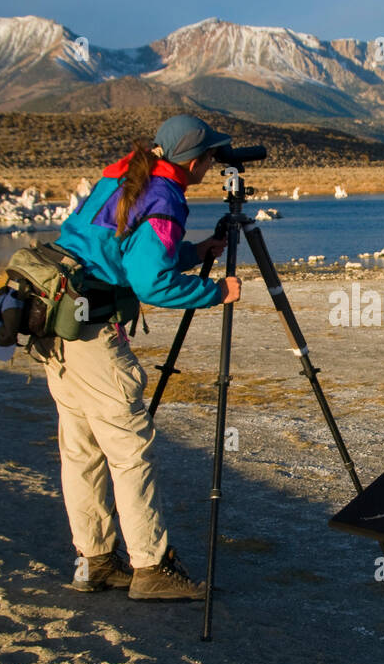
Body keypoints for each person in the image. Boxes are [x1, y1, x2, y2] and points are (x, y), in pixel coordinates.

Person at [33, 114, 241, 601]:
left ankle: (96, 561)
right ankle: (150, 568)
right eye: (210, 156)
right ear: (193, 160)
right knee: (129, 452)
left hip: (57, 324)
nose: (213, 164)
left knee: (81, 451)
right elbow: (150, 282)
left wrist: (195, 252)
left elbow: (122, 250)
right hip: (93, 336)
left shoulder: (124, 178)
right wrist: (216, 292)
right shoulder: (166, 197)